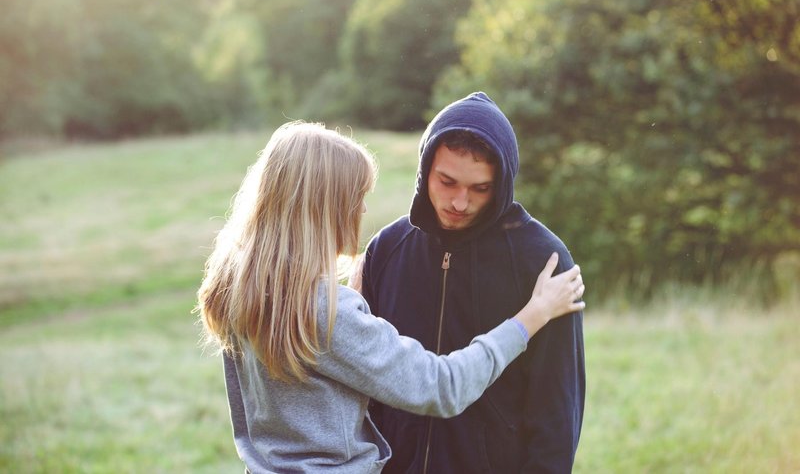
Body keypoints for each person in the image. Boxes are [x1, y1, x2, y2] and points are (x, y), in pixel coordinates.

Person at [195, 121, 586, 473]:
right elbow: (441, 386)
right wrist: (531, 317)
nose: (363, 208)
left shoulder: (239, 289)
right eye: (356, 196)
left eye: (479, 188)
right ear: (324, 207)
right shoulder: (328, 307)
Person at [358, 92, 586, 473]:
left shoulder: (543, 261)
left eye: (480, 188)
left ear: (502, 183)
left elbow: (557, 411)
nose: (460, 202)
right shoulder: (387, 248)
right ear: (424, 170)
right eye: (447, 181)